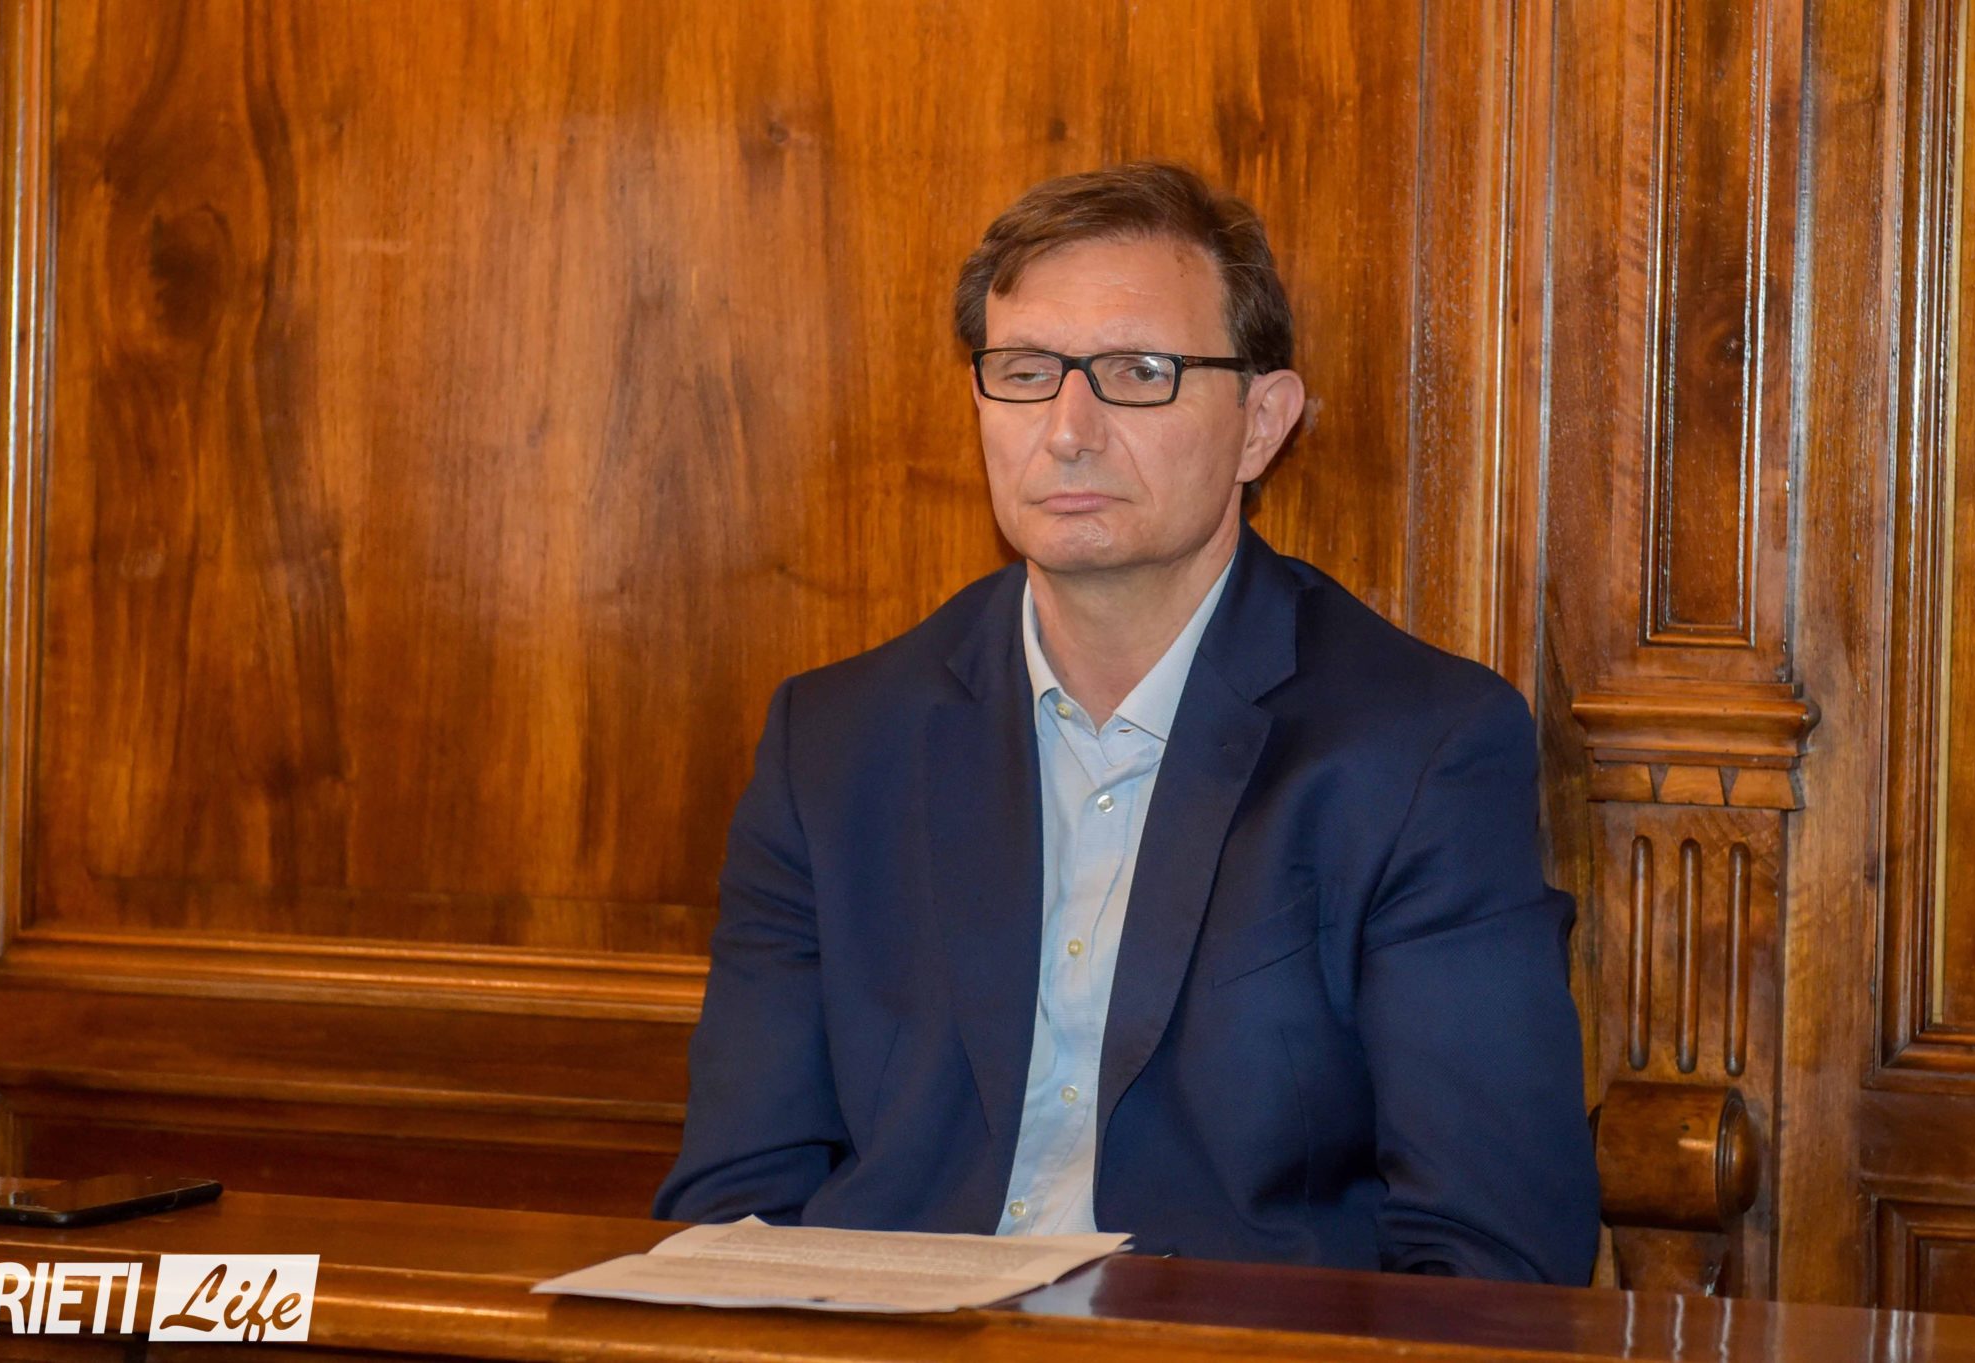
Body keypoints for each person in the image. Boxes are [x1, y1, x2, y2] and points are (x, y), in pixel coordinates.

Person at [653, 163, 1600, 1282]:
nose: (1067, 430)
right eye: (1024, 373)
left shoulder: (1418, 749)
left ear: (1260, 425)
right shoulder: (833, 742)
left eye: (1139, 373)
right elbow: (733, 1207)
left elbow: (1495, 1255)